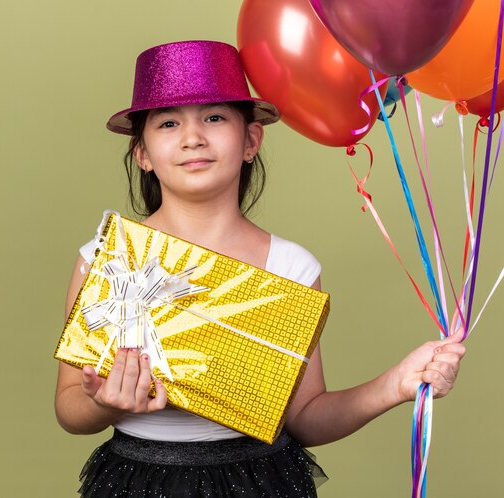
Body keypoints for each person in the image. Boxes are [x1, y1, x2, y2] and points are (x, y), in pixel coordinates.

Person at [54, 40, 466, 497]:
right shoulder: (105, 259)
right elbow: (70, 409)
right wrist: (104, 405)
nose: (193, 137)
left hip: (258, 481)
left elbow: (304, 416)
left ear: (251, 140)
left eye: (214, 118)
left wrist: (396, 385)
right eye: (168, 123)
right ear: (143, 154)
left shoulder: (291, 266)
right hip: (136, 479)